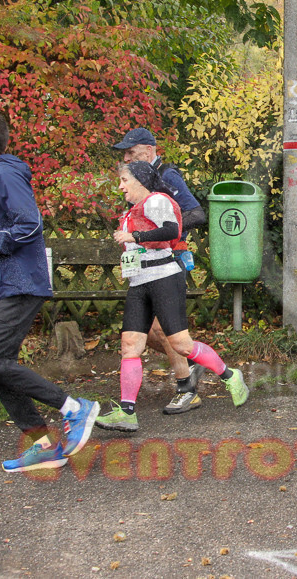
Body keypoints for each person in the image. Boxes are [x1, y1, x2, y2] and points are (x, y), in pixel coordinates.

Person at [0, 112, 99, 472]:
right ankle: (43, 445)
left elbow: (29, 225)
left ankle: (74, 408)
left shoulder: (5, 174)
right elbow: (4, 243)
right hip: (7, 284)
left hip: (21, 285)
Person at [95, 162, 248, 432]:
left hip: (164, 278)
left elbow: (171, 231)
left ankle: (230, 375)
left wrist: (135, 235)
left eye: (124, 180)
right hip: (138, 282)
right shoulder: (132, 209)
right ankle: (127, 412)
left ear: (141, 181)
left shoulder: (157, 201)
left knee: (181, 345)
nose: (120, 186)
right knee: (130, 345)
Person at [112, 127, 207, 415]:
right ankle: (193, 361)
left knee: (162, 331)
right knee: (148, 335)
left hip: (169, 260)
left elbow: (197, 213)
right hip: (144, 265)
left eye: (131, 152)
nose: (126, 157)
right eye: (124, 153)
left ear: (150, 150)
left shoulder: (166, 176)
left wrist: (163, 233)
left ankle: (187, 387)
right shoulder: (137, 180)